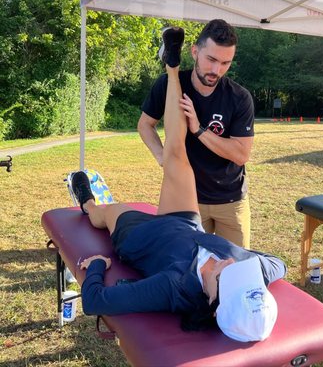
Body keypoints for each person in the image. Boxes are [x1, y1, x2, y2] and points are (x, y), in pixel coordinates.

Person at [72, 27, 286, 342]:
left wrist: (97, 267)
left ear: (212, 302)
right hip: (188, 220)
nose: (231, 262)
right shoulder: (247, 270)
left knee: (107, 211)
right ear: (196, 53)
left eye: (230, 275)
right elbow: (277, 264)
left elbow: (95, 302)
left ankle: (86, 201)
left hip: (141, 238)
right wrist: (249, 269)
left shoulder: (174, 286)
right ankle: (171, 68)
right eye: (212, 59)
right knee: (176, 153)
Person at [138, 19, 254, 248]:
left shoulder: (239, 97)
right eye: (211, 59)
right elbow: (145, 125)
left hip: (230, 201)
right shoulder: (170, 84)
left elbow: (241, 154)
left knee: (235, 270)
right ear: (194, 52)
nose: (216, 70)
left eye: (225, 63)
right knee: (185, 266)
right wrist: (163, 158)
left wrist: (199, 130)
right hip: (187, 198)